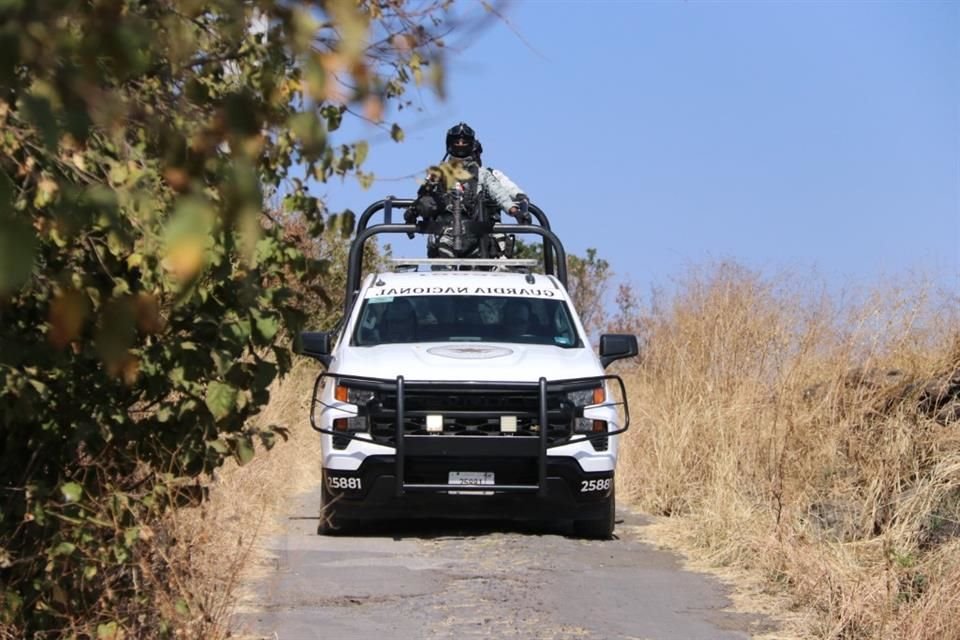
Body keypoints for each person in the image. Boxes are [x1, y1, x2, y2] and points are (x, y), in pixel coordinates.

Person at [406, 122, 531, 263]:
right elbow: (423, 197)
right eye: (457, 141)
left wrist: (515, 211)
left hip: (476, 236)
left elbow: (499, 193)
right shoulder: (438, 174)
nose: (460, 144)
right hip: (443, 235)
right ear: (450, 144)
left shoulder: (483, 174)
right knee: (442, 275)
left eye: (464, 141)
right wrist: (413, 212)